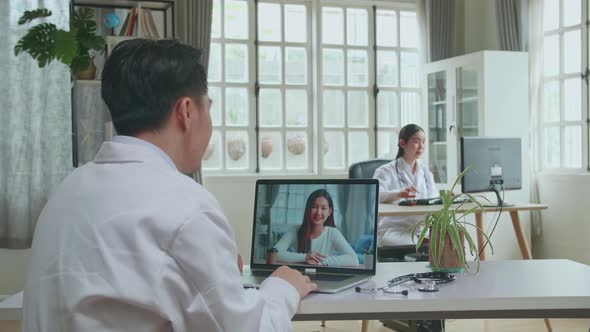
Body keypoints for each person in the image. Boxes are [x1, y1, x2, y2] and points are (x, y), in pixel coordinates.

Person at [22, 39, 316, 332]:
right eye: (208, 108)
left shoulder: (66, 192)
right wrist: (282, 288)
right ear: (187, 111)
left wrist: (217, 274)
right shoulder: (186, 206)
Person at [373, 124, 439, 247]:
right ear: (402, 143)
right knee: (418, 246)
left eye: (423, 142)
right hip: (393, 230)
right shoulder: (385, 171)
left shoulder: (426, 173)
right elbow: (375, 196)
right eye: (416, 141)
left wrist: (444, 199)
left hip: (421, 230)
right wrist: (398, 194)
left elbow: (434, 199)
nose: (421, 146)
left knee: (446, 242)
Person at [273, 189, 359, 266]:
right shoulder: (295, 230)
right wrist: (305, 257)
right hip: (299, 276)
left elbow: (353, 259)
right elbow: (274, 254)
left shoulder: (332, 233)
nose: (318, 212)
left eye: (323, 208)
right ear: (308, 209)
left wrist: (320, 261)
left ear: (329, 211)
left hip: (324, 277)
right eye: (314, 207)